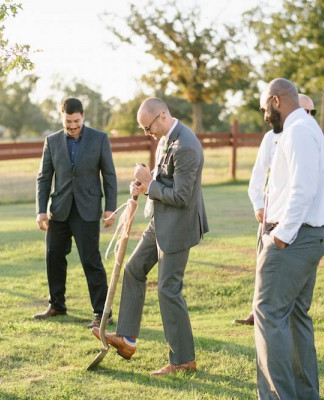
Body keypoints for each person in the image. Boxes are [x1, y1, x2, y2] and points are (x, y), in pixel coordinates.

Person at [91, 97, 208, 376]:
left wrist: (150, 185)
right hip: (160, 220)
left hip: (178, 226)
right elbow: (163, 179)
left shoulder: (186, 146)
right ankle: (127, 340)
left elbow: (181, 196)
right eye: (143, 129)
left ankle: (183, 360)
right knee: (133, 269)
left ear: (163, 116)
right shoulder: (168, 136)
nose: (147, 134)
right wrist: (146, 180)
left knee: (169, 289)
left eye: (148, 127)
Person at [253, 79, 324, 399]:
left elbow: (303, 188)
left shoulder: (299, 130)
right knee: (295, 316)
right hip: (309, 236)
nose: (264, 115)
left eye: (264, 108)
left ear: (276, 101)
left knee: (268, 314)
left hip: (295, 237)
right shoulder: (303, 127)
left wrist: (281, 236)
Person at [233, 93, 318, 326]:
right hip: (272, 217)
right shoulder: (271, 138)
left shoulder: (311, 137)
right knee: (264, 267)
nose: (308, 116)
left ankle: (295, 313)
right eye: (305, 111)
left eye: (312, 112)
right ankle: (257, 311)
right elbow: (258, 175)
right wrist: (258, 204)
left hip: (302, 222)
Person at [34, 97, 117, 328]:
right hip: (59, 210)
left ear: (83, 116)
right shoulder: (51, 141)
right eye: (68, 121)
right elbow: (44, 177)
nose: (72, 125)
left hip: (87, 209)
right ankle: (57, 305)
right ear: (61, 117)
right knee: (53, 257)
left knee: (91, 260)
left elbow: (109, 175)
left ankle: (102, 313)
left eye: (76, 121)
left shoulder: (99, 139)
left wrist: (110, 208)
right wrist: (41, 211)